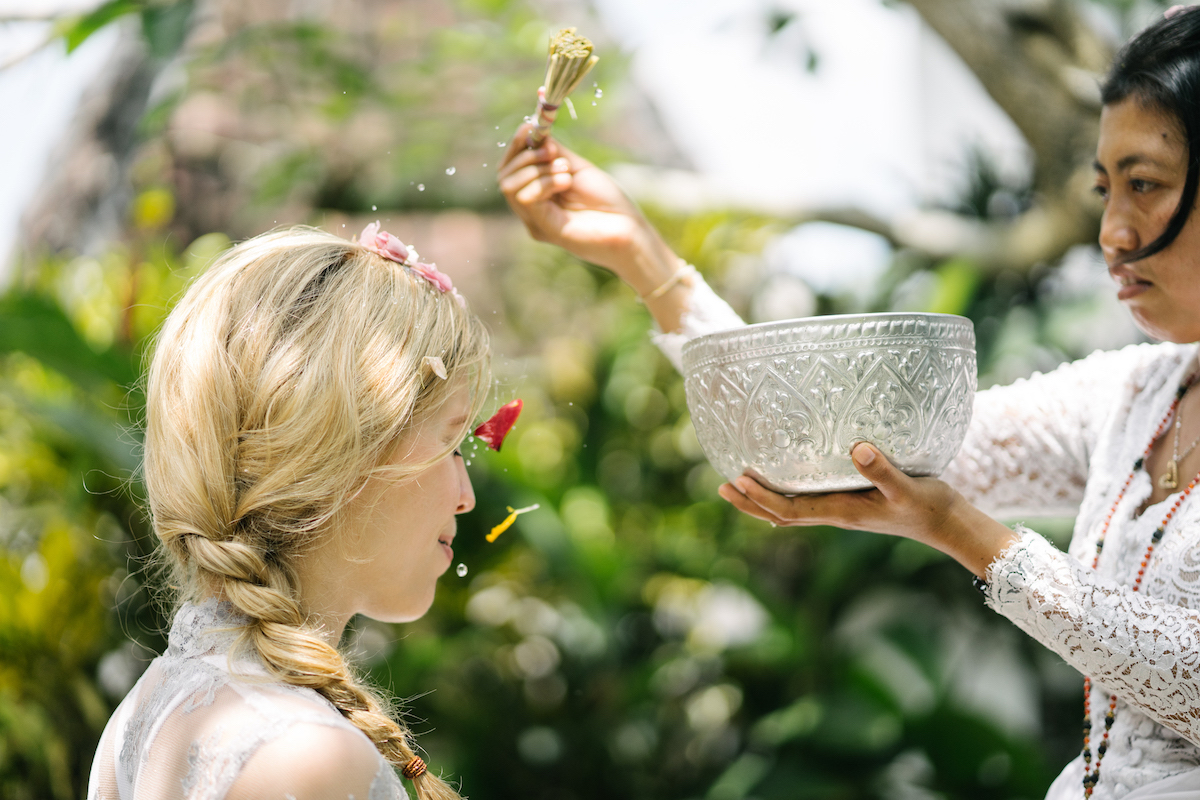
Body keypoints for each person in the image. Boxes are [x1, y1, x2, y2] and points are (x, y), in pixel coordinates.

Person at [498, 9, 1200, 799]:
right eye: (1106, 190)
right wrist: (641, 256)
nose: (1112, 231)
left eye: (1146, 185)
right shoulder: (1136, 396)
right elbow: (844, 442)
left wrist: (959, 531)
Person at [88, 225, 489, 800]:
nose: (466, 495)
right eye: (451, 445)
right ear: (347, 452)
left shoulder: (148, 709)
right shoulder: (309, 757)